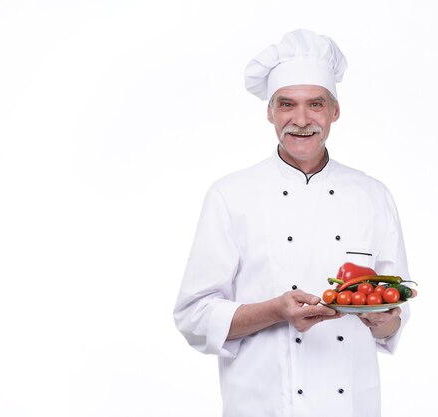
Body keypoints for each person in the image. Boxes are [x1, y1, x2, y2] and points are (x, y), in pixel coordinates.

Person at [174, 29, 412, 417]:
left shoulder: (373, 196)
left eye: (315, 104)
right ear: (270, 112)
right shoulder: (231, 195)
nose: (301, 120)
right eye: (287, 104)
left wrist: (383, 318)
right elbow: (194, 317)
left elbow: (393, 321)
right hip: (262, 405)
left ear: (334, 111)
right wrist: (275, 310)